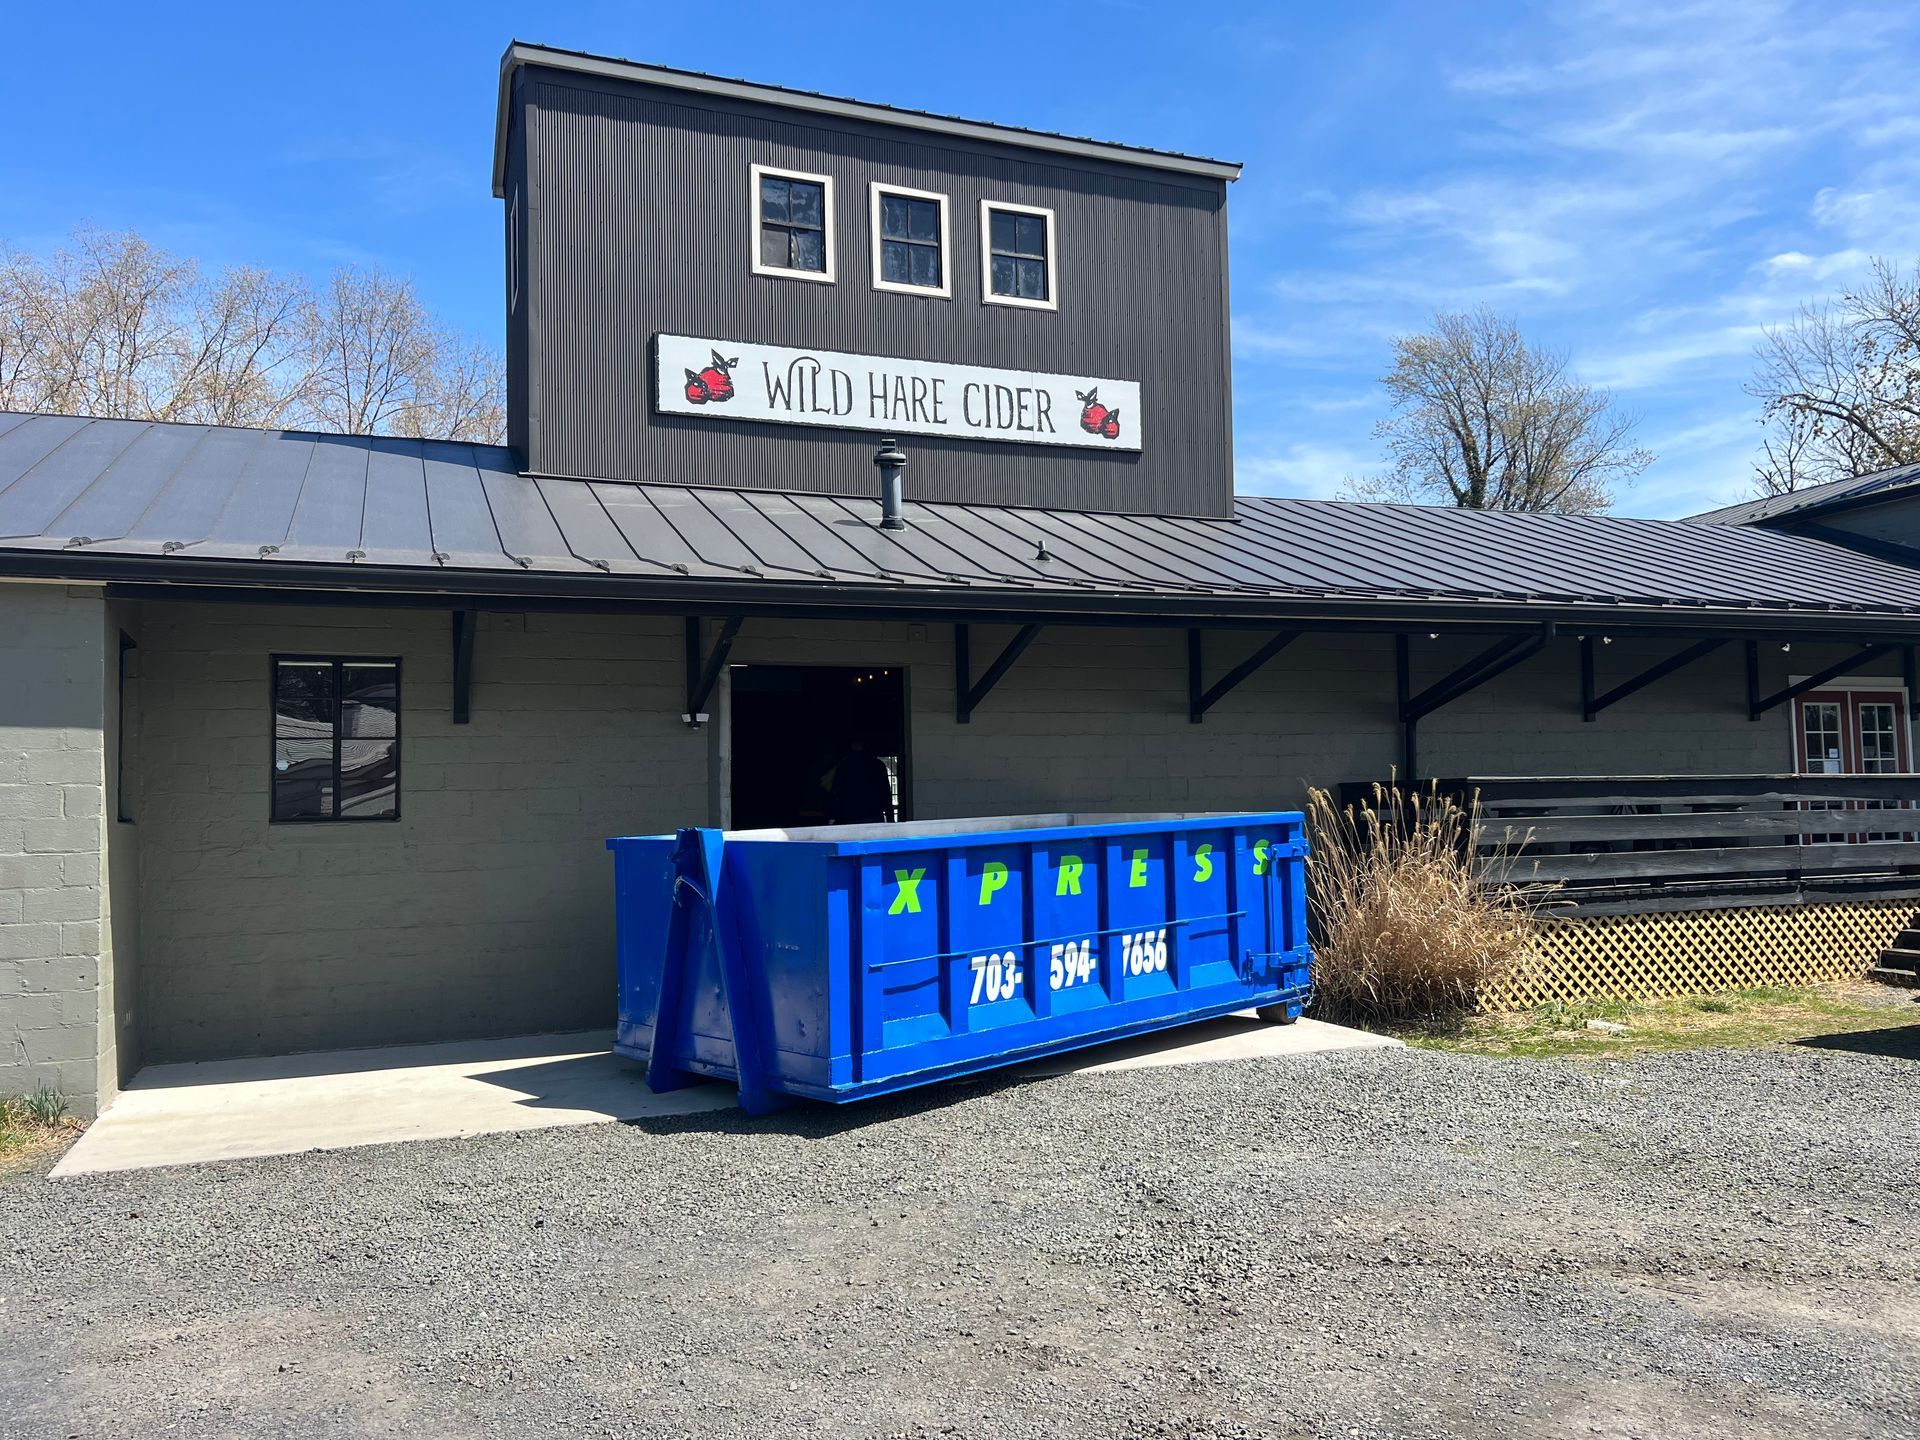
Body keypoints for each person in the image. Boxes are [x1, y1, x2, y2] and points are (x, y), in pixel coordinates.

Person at [827, 738, 894, 825]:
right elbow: (885, 792)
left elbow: (836, 792)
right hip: (873, 814)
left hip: (849, 815)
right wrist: (890, 817)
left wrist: (832, 815)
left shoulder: (844, 765)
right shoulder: (877, 765)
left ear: (852, 746)